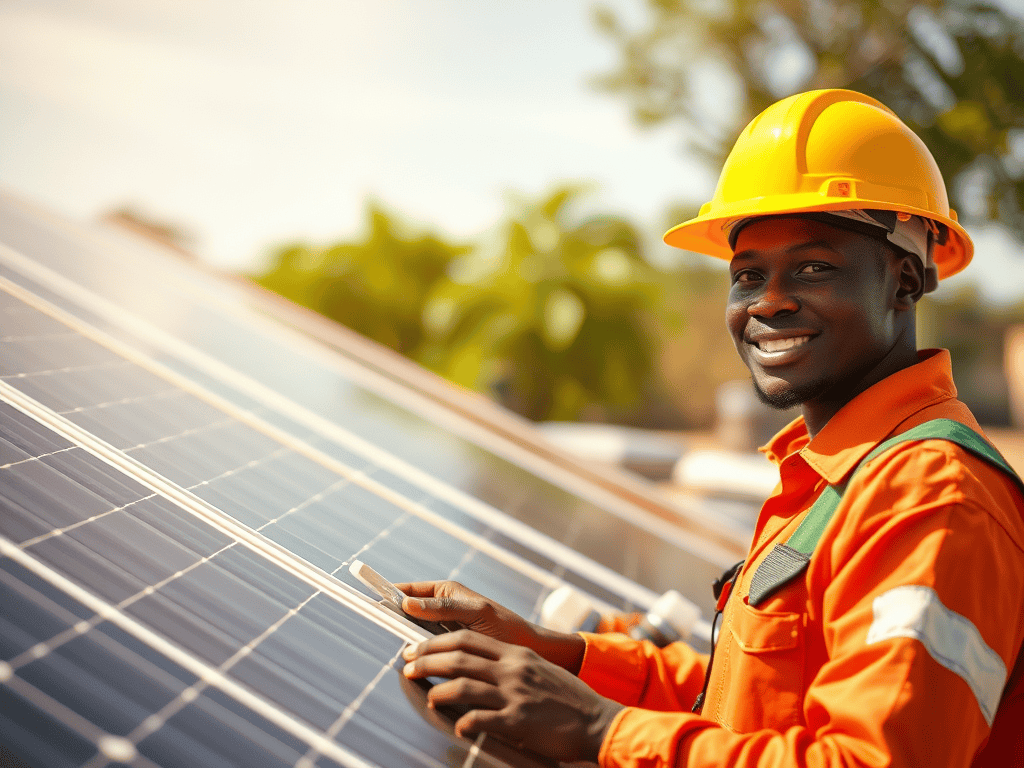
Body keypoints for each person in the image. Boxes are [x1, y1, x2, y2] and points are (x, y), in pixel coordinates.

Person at [397, 89, 1024, 767]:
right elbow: (747, 704)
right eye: (747, 274)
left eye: (813, 267)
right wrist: (559, 655)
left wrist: (601, 729)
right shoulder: (833, 475)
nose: (770, 300)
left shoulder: (933, 497)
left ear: (904, 282)